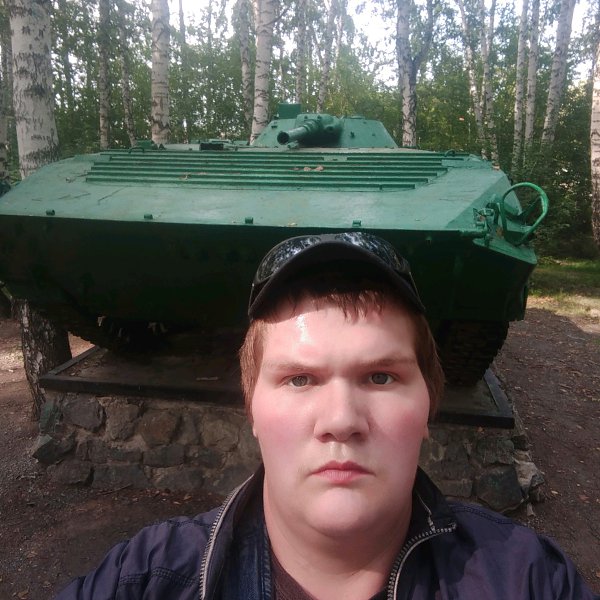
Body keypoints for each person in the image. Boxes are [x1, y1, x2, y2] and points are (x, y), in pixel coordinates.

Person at [55, 232, 598, 600]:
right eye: (299, 379)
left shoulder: (526, 579)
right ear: (251, 407)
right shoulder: (148, 579)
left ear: (428, 405)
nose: (341, 420)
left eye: (380, 377)